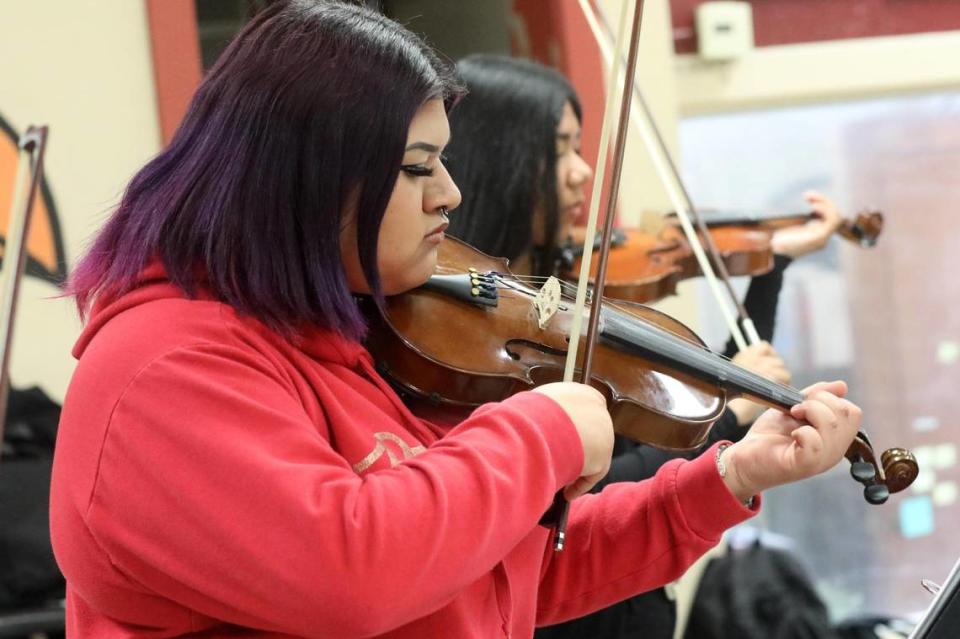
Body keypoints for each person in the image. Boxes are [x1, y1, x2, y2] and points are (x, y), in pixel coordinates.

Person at [50, 5, 862, 638]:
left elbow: (502, 574)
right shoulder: (162, 369)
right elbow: (354, 569)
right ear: (305, 180)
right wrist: (538, 429)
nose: (451, 194)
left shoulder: (346, 341)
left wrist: (726, 478)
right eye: (415, 168)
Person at [443, 54, 846, 639]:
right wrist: (730, 418)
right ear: (502, 156)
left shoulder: (569, 298)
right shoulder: (467, 339)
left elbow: (702, 393)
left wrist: (772, 264)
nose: (583, 172)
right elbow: (581, 498)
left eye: (580, 146)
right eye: (560, 148)